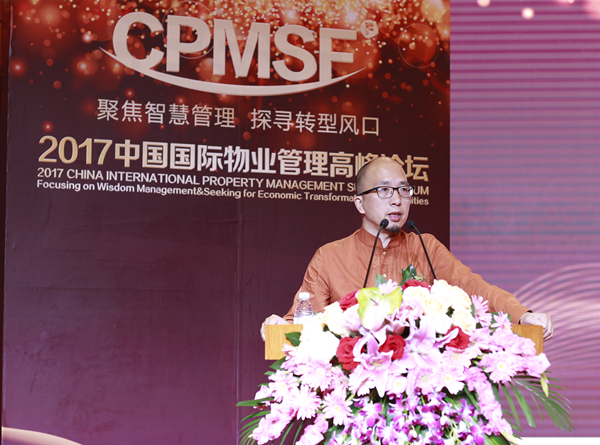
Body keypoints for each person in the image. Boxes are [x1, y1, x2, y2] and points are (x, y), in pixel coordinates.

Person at [261, 157, 553, 340]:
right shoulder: (330, 257)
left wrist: (521, 314)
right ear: (360, 203)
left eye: (404, 189)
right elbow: (302, 322)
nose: (397, 200)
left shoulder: (425, 246)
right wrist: (277, 327)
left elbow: (471, 286)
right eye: (384, 190)